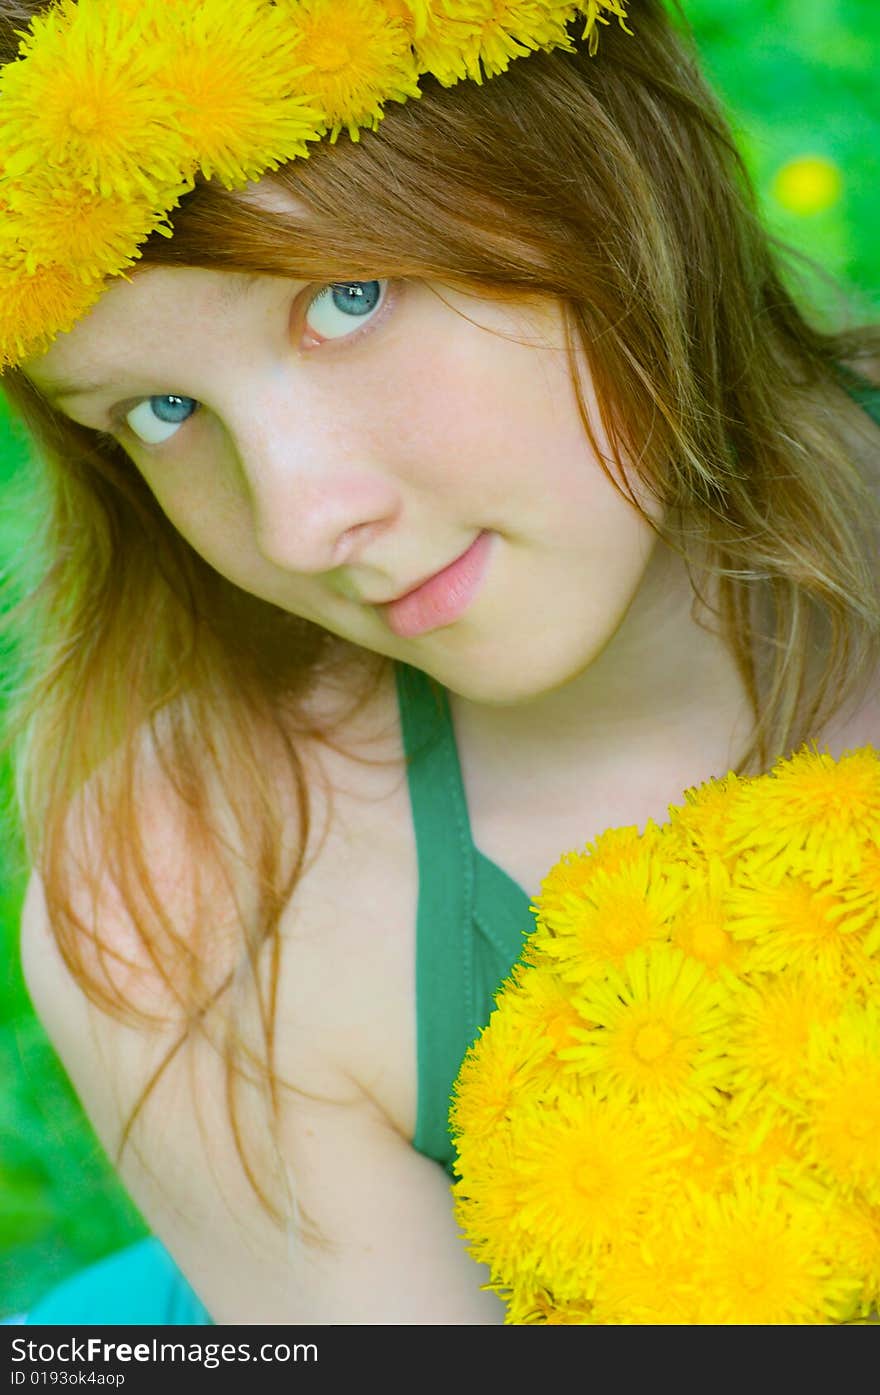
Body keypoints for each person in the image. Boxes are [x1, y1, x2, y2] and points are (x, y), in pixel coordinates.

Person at [1, 0, 879, 1326]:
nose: (302, 522)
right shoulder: (206, 896)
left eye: (345, 300)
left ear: (603, 155)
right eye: (159, 411)